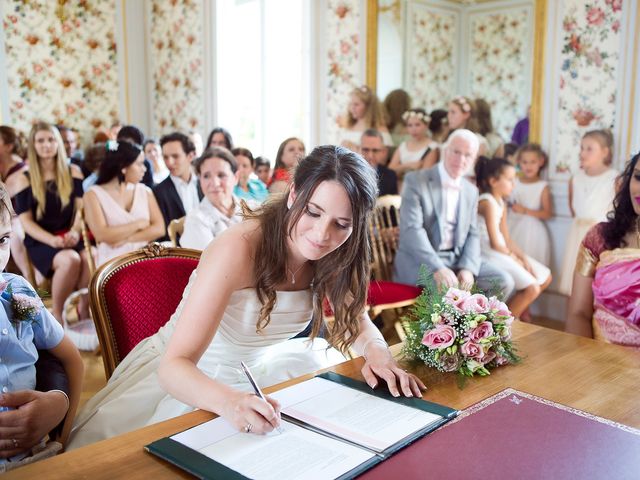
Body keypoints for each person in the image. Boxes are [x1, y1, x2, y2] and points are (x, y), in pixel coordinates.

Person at [68, 145, 424, 448]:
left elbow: (356, 321)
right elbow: (174, 367)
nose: (321, 234)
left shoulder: (336, 251)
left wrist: (378, 352)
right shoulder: (237, 249)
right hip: (190, 381)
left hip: (261, 373)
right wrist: (231, 402)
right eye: (313, 212)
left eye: (341, 224)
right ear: (295, 193)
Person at [0, 183, 84, 468]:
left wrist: (62, 432)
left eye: (2, 241)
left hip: (39, 456)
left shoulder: (17, 291)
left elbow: (71, 359)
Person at [393, 129, 514, 298]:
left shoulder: (471, 190)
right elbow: (412, 231)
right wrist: (438, 267)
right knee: (446, 287)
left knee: (503, 281)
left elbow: (472, 234)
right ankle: (442, 326)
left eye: (468, 155)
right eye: (456, 152)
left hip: (456, 259)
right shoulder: (415, 181)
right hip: (421, 260)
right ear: (445, 150)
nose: (461, 160)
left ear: (474, 159)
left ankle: (476, 325)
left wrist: (468, 268)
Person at [13, 122, 90, 323]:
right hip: (41, 239)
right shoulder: (25, 178)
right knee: (70, 259)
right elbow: (26, 222)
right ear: (33, 145)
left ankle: (84, 308)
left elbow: (81, 210)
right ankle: (57, 316)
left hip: (70, 232)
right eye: (41, 141)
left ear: (58, 143)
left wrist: (75, 230)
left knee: (92, 256)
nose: (47, 145)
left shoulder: (73, 171)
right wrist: (52, 241)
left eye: (51, 140)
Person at [565, 153, 640, 347]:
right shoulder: (600, 237)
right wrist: (589, 365)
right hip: (598, 364)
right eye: (638, 177)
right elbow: (578, 313)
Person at [475, 156, 551, 318]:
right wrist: (515, 259)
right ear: (494, 181)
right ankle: (500, 328)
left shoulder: (500, 203)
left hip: (501, 250)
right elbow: (495, 243)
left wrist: (523, 258)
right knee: (532, 288)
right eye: (510, 180)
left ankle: (503, 318)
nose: (513, 184)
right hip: (489, 253)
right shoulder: (486, 202)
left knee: (545, 277)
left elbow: (507, 239)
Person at [83, 141, 165, 267]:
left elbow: (159, 228)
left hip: (145, 255)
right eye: (139, 164)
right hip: (112, 263)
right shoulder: (93, 194)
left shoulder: (144, 191)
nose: (144, 169)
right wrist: (139, 224)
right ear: (123, 167)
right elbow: (102, 234)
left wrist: (127, 239)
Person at [558, 129, 619, 296]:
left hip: (601, 236)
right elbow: (573, 209)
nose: (582, 153)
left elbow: (619, 210)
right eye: (581, 148)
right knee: (573, 282)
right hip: (577, 235)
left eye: (589, 148)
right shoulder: (575, 179)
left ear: (605, 152)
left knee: (595, 282)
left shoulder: (614, 178)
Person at [180, 147, 252, 250]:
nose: (214, 183)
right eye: (206, 176)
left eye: (221, 175)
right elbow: (210, 264)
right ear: (200, 179)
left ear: (235, 177)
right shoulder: (195, 221)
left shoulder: (252, 209)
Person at [508, 144, 553, 266]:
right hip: (512, 226)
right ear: (519, 162)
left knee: (532, 265)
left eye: (533, 162)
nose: (528, 166)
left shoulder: (542, 186)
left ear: (541, 162)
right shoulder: (513, 182)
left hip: (532, 232)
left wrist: (525, 210)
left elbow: (548, 213)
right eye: (525, 162)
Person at [153, 132, 202, 241]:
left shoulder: (205, 185)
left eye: (175, 156)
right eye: (165, 157)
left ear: (191, 155)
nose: (169, 162)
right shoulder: (158, 192)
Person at [421, 96, 487, 170]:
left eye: (453, 112)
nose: (449, 116)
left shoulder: (479, 141)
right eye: (448, 112)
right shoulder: (447, 138)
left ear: (466, 115)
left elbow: (476, 170)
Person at [0, 126, 30, 279]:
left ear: (8, 146)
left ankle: (28, 277)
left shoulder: (19, 172)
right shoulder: (3, 166)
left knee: (15, 232)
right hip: (6, 219)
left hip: (22, 219)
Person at [339, 85, 391, 151]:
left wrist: (356, 149)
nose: (352, 108)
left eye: (356, 104)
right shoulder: (349, 126)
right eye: (351, 104)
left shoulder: (380, 130)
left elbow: (382, 158)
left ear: (368, 107)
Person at [388, 109, 435, 177]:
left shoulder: (432, 147)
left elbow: (425, 175)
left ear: (426, 125)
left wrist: (399, 169)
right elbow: (390, 171)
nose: (414, 129)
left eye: (417, 125)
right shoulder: (403, 146)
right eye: (410, 125)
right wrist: (408, 165)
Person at [360, 129, 398, 197]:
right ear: (359, 149)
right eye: (366, 149)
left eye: (375, 150)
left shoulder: (390, 176)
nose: (370, 156)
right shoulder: (348, 173)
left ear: (382, 151)